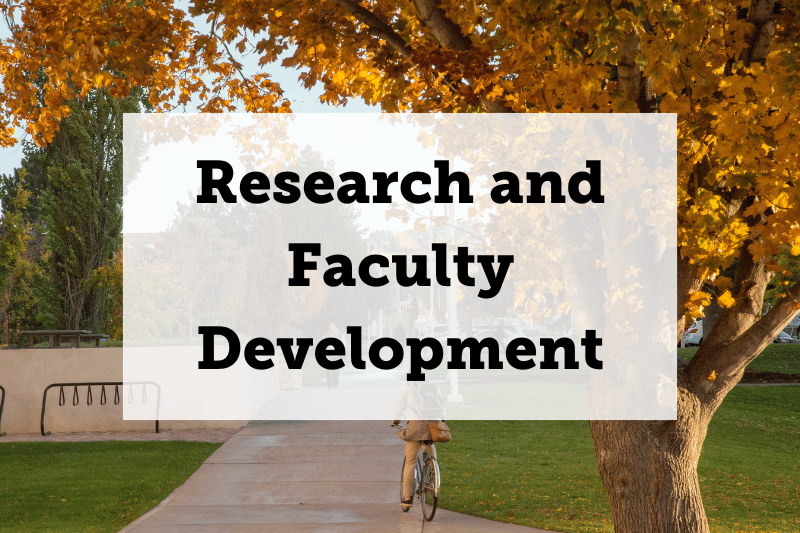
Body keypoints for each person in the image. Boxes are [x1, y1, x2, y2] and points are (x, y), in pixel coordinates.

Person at [391, 380, 445, 510]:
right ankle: (433, 473)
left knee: (410, 460)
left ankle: (407, 497)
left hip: (416, 426)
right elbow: (441, 403)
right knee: (430, 446)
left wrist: (395, 420)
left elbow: (400, 405)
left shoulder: (409, 385)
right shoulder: (434, 383)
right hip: (433, 425)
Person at [325, 322, 341, 388]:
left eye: (333, 327)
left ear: (335, 328)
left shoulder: (339, 336)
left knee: (336, 370)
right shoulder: (326, 335)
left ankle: (335, 383)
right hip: (328, 354)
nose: (332, 328)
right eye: (330, 327)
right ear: (329, 328)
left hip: (337, 355)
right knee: (328, 369)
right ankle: (329, 382)